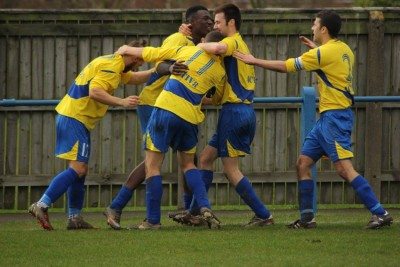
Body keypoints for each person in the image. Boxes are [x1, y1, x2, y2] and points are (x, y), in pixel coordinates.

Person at [234, 10, 393, 229]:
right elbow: (330, 62)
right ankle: (307, 219)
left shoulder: (322, 54)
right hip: (327, 118)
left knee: (344, 169)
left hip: (335, 118)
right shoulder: (344, 49)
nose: (312, 28)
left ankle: (380, 213)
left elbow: (286, 67)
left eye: (315, 24)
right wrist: (317, 50)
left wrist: (253, 60)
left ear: (324, 29)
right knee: (303, 164)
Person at [103, 5, 214, 230]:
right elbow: (160, 64)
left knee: (183, 161)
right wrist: (171, 67)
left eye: (212, 20)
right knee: (154, 161)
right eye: (206, 19)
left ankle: (186, 211)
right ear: (191, 23)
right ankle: (117, 206)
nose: (210, 23)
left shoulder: (203, 47)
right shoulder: (178, 39)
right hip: (154, 103)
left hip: (177, 107)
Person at [28, 40, 151, 230]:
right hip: (75, 118)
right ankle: (42, 204)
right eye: (141, 60)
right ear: (133, 56)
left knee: (80, 170)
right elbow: (95, 91)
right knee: (78, 168)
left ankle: (74, 218)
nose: (141, 64)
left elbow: (133, 78)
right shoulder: (111, 66)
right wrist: (122, 101)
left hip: (75, 117)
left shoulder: (114, 65)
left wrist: (158, 72)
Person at [173, 3, 274, 227]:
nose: (214, 25)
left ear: (231, 23)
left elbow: (216, 49)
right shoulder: (241, 45)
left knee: (231, 170)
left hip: (235, 112)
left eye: (218, 22)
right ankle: (195, 213)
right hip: (240, 110)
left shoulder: (230, 42)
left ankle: (263, 215)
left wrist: (199, 45)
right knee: (206, 158)